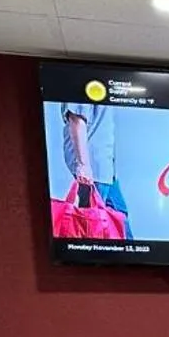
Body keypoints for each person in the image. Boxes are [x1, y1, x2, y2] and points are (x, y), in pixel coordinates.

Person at [61, 99, 130, 236]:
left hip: (106, 168)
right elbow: (76, 119)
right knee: (92, 226)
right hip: (94, 168)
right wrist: (83, 165)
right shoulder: (83, 80)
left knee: (119, 222)